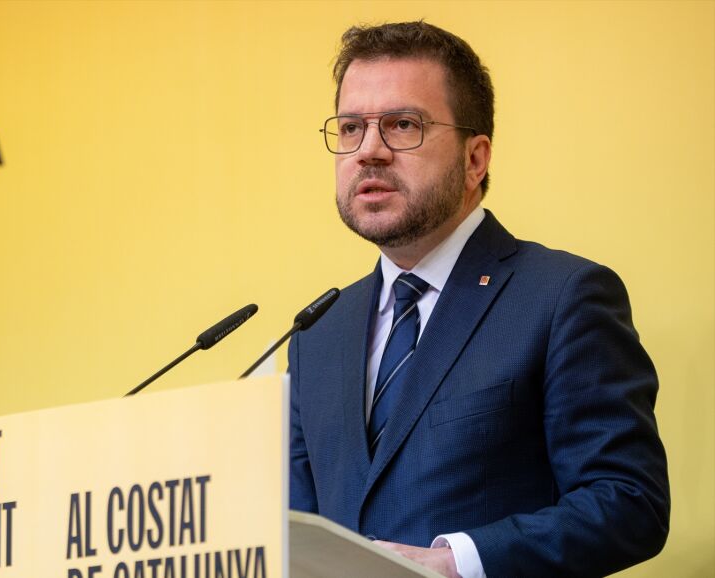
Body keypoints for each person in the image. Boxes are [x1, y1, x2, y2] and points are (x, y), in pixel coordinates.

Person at [287, 21, 670, 578]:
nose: (368, 151)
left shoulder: (562, 297)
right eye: (351, 128)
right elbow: (297, 533)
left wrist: (456, 563)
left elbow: (630, 501)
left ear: (475, 159)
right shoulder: (317, 334)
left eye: (402, 125)